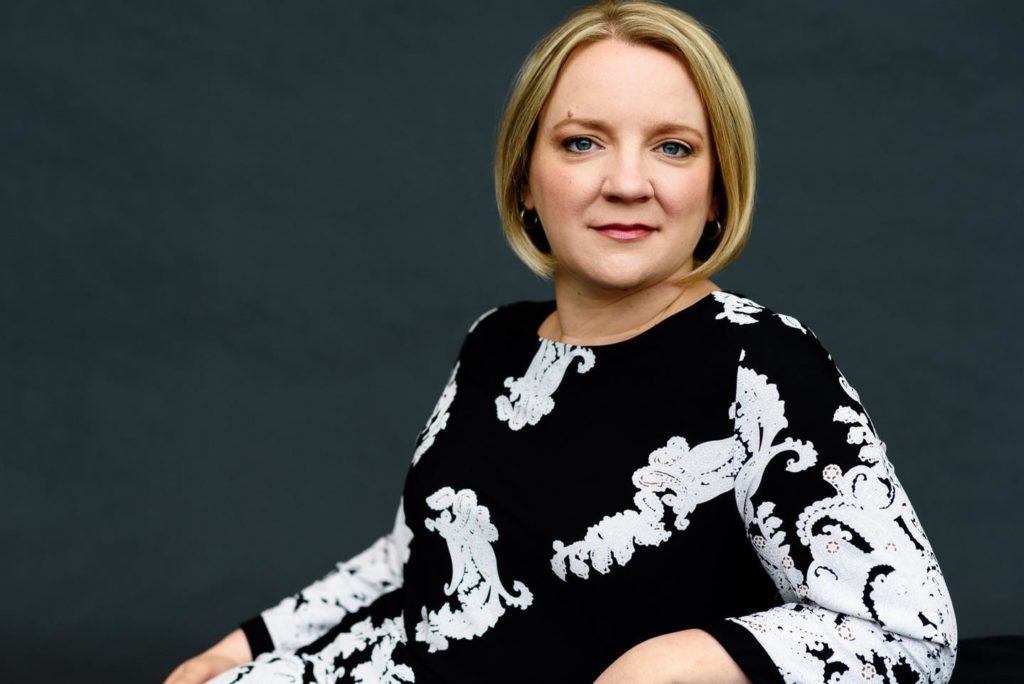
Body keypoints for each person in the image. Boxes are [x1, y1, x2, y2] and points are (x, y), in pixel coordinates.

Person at [164, 1, 958, 682]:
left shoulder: (764, 365)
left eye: (673, 146)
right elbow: (416, 554)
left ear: (717, 189)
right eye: (583, 142)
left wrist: (681, 658)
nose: (626, 182)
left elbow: (910, 634)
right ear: (525, 178)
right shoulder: (497, 343)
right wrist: (250, 644)